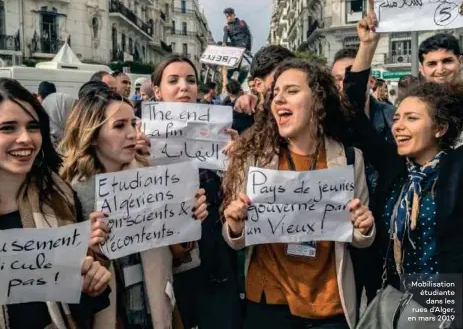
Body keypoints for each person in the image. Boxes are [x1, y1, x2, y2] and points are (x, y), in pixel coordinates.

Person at [221, 58, 375, 329]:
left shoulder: (350, 159)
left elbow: (360, 239)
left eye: (291, 91)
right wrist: (234, 224)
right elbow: (237, 241)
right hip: (269, 303)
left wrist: (364, 227)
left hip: (330, 305)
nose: (279, 99)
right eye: (275, 93)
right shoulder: (254, 158)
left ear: (318, 99)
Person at [59, 81, 209, 329]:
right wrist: (89, 251)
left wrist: (186, 223)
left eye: (132, 124)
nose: (132, 134)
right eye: (119, 126)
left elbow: (179, 257)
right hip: (109, 316)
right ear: (93, 136)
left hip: (156, 311)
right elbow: (62, 283)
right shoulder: (68, 194)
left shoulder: (156, 176)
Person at [0, 78, 112, 329]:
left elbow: (77, 306)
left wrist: (90, 286)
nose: (25, 138)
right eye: (8, 128)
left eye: (33, 127)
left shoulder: (60, 197)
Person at [349, 80, 463, 300]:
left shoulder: (456, 170)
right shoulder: (393, 164)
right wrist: (367, 46)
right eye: (396, 118)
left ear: (440, 128)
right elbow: (353, 108)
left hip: (443, 304)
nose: (398, 127)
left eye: (411, 118)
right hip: (393, 300)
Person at [151, 54, 243, 329]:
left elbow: (237, 197)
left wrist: (238, 160)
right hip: (171, 266)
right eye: (174, 80)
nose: (184, 87)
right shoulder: (141, 137)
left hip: (217, 259)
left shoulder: (219, 131)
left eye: (191, 80)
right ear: (157, 91)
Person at [232, 45, 296, 133]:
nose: (285, 84)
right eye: (278, 79)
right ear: (258, 85)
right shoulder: (238, 121)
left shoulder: (302, 116)